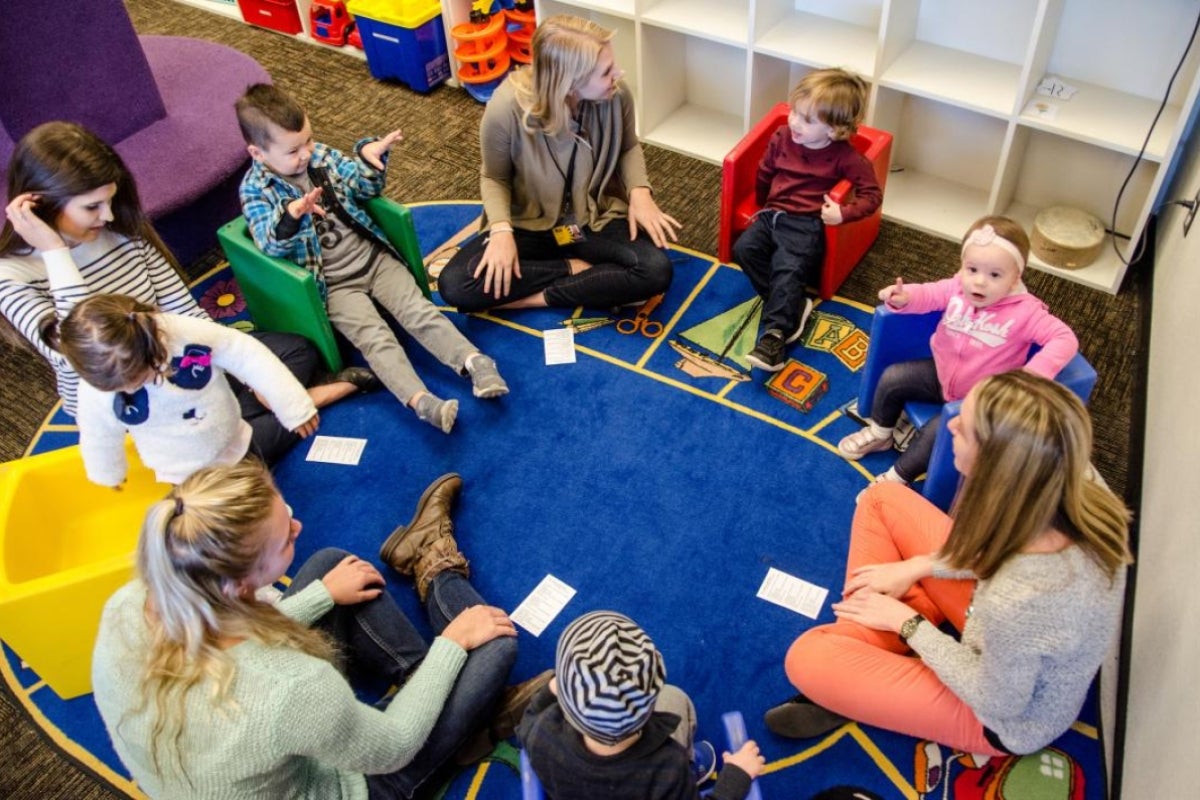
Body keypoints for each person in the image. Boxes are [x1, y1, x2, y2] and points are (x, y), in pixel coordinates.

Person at [93, 467, 549, 798]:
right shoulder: (290, 689)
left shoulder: (131, 603)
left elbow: (232, 644)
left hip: (250, 750)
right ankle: (436, 567)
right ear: (238, 584)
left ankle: (452, 702)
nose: (298, 526)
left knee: (330, 568)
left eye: (286, 512)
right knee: (491, 643)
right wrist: (450, 647)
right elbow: (392, 746)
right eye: (285, 538)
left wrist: (322, 596)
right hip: (356, 782)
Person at [766, 370, 1132, 756]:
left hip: (1000, 717)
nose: (951, 423)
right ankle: (877, 654)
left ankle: (867, 665)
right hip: (990, 621)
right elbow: (990, 552)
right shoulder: (1069, 474)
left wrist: (905, 623)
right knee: (882, 498)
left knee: (807, 658)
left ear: (997, 465)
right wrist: (917, 568)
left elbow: (999, 702)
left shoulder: (1020, 599)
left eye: (966, 427)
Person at [0, 121, 372, 465]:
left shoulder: (120, 231)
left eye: (110, 201)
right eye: (92, 207)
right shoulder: (11, 276)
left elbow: (185, 310)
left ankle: (251, 410)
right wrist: (55, 253)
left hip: (183, 358)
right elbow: (82, 352)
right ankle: (298, 402)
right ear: (40, 205)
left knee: (296, 349)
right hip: (135, 399)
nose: (109, 216)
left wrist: (238, 369)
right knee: (213, 457)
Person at [236, 83, 508, 435]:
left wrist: (368, 160)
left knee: (418, 311)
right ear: (258, 153)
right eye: (293, 151)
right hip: (333, 285)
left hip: (374, 259)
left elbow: (363, 188)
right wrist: (292, 214)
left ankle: (475, 362)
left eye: (308, 141)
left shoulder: (320, 156)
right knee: (375, 339)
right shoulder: (255, 190)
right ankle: (421, 401)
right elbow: (268, 244)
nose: (306, 153)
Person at [438, 15, 678, 314]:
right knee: (456, 283)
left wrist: (640, 193)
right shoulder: (504, 107)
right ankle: (576, 271)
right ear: (569, 82)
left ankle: (532, 298)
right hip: (529, 225)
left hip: (589, 220)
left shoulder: (617, 95)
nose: (618, 73)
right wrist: (501, 231)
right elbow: (493, 178)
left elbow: (628, 147)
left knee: (655, 270)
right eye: (606, 71)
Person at [838, 215, 1078, 490]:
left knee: (938, 432)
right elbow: (930, 294)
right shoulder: (957, 288)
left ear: (1015, 279)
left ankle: (897, 478)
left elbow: (1064, 337)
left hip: (980, 399)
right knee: (894, 377)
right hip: (942, 375)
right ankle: (881, 434)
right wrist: (906, 299)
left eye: (995, 275)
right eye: (972, 269)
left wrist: (1034, 374)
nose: (979, 282)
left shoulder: (1026, 312)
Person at [53, 294, 319, 486]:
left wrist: (293, 407)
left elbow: (244, 352)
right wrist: (108, 473)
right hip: (180, 469)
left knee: (255, 485)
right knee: (216, 515)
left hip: (231, 437)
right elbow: (98, 433)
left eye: (136, 378)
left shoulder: (177, 331)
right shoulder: (94, 390)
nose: (132, 387)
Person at [517, 610, 765, 799]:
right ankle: (695, 766)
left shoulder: (542, 731)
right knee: (676, 699)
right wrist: (736, 776)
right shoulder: (668, 768)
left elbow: (528, 719)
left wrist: (551, 692)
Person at [735, 68, 882, 372]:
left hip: (805, 224)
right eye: (795, 112)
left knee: (786, 269)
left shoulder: (846, 157)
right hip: (772, 213)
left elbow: (872, 195)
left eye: (807, 120)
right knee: (744, 249)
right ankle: (794, 303)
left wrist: (843, 213)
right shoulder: (783, 135)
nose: (794, 122)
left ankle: (775, 336)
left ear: (834, 130)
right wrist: (762, 202)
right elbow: (765, 170)